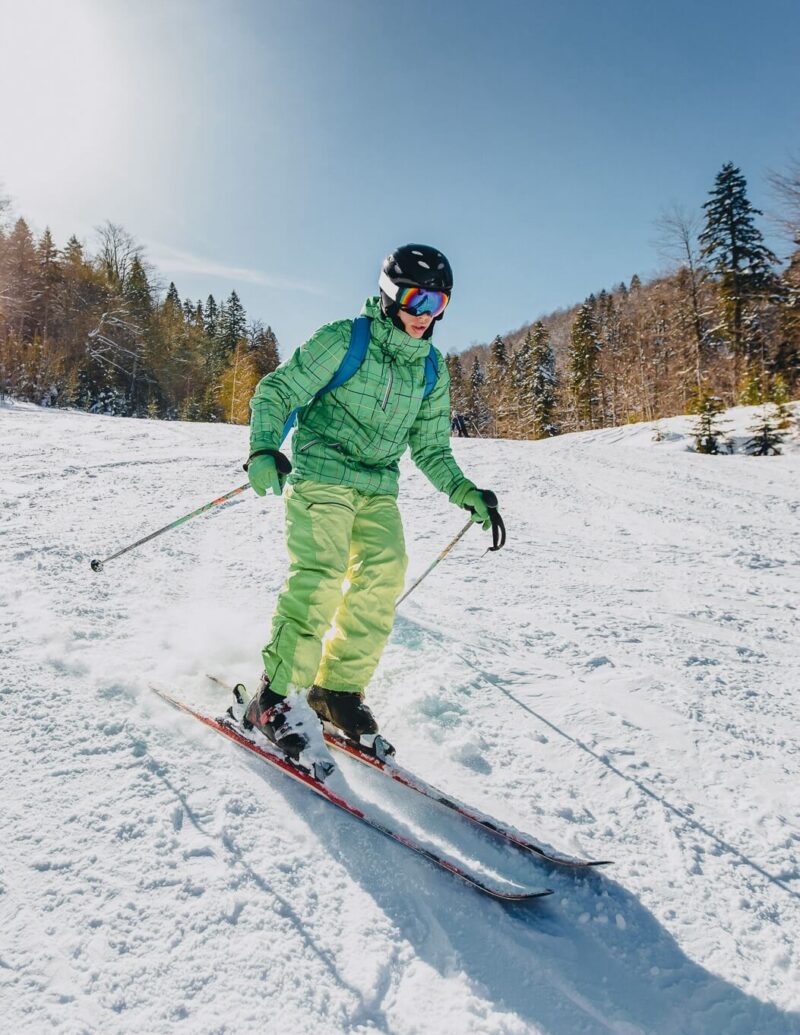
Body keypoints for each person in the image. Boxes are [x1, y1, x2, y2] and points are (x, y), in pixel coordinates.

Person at [243, 244, 503, 758]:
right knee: (321, 573)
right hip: (321, 472)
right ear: (389, 296)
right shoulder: (344, 340)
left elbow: (430, 448)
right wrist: (264, 447)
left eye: (437, 303)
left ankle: (335, 690)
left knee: (384, 573)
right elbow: (278, 391)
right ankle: (273, 697)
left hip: (377, 485)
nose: (425, 314)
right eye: (415, 299)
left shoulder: (430, 369)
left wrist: (465, 491)